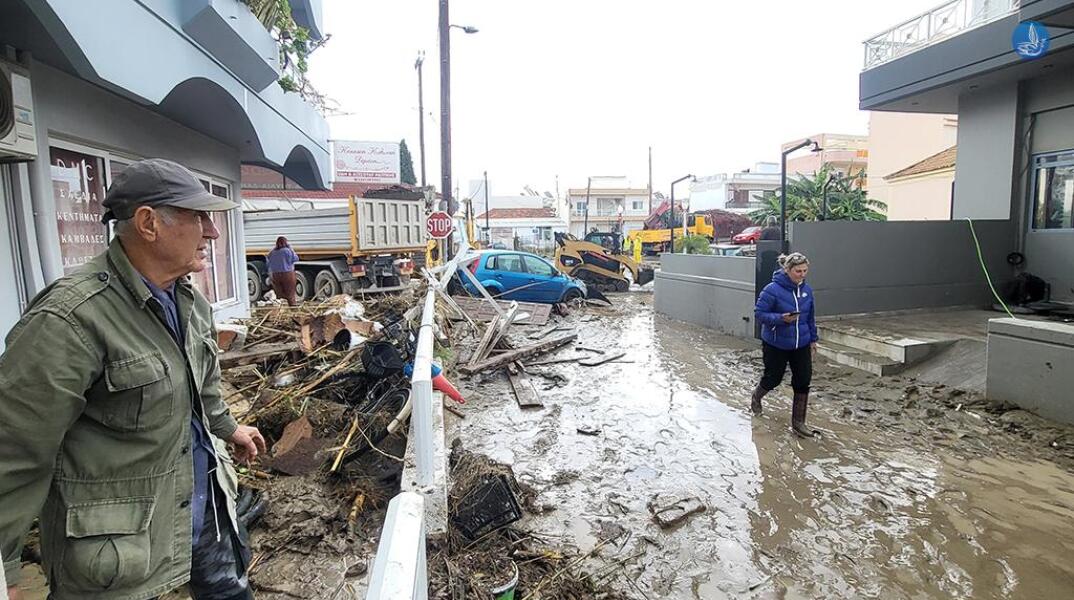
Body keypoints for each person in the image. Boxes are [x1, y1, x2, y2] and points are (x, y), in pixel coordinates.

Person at [0, 158, 267, 600]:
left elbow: (201, 386)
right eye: (198, 217)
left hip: (206, 516)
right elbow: (14, 451)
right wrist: (4, 568)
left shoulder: (188, 302)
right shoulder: (71, 319)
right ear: (148, 223)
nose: (212, 232)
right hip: (121, 556)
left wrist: (226, 427)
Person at [751, 252, 819, 437]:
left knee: (803, 380)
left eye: (805, 271)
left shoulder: (808, 290)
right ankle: (756, 397)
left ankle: (799, 423)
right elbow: (759, 314)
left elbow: (810, 317)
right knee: (773, 378)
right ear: (787, 270)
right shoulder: (772, 290)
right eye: (798, 271)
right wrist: (781, 318)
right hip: (776, 343)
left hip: (802, 343)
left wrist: (813, 339)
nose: (802, 275)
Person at [267, 236, 300, 305]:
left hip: (275, 275)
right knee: (290, 293)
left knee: (279, 294)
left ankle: (281, 308)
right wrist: (290, 248)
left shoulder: (272, 252)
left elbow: (268, 260)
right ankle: (292, 308)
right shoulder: (287, 251)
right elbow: (296, 258)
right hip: (287, 274)